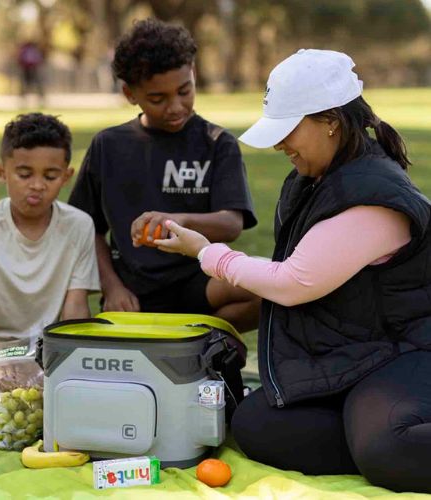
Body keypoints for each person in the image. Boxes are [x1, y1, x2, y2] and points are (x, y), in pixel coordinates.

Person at [154, 49, 431, 493]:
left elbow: (292, 283)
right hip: (359, 351)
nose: (281, 145)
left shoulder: (373, 197)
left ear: (330, 121)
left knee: (388, 449)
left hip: (405, 351)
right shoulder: (320, 177)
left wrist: (209, 253)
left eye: (288, 131)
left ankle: (386, 442)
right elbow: (302, 272)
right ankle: (378, 435)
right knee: (256, 423)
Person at [68, 18, 259, 332]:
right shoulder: (108, 145)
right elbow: (86, 228)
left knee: (264, 289)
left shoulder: (216, 142)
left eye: (184, 91)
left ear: (193, 74)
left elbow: (232, 223)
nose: (175, 107)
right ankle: (176, 343)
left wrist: (180, 219)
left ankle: (202, 345)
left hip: (199, 281)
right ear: (130, 93)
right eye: (158, 99)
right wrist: (111, 287)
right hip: (133, 292)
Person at [0, 113, 100, 423]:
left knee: (56, 405)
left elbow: (76, 306)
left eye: (50, 176)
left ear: (66, 176)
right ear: (2, 172)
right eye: (24, 174)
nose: (37, 186)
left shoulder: (79, 226)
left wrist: (71, 361)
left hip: (43, 348)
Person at [17, 41, 45, 107]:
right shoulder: (26, 50)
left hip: (33, 69)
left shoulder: (32, 50)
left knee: (36, 85)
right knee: (25, 85)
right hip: (26, 69)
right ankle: (23, 100)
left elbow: (38, 59)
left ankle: (40, 99)